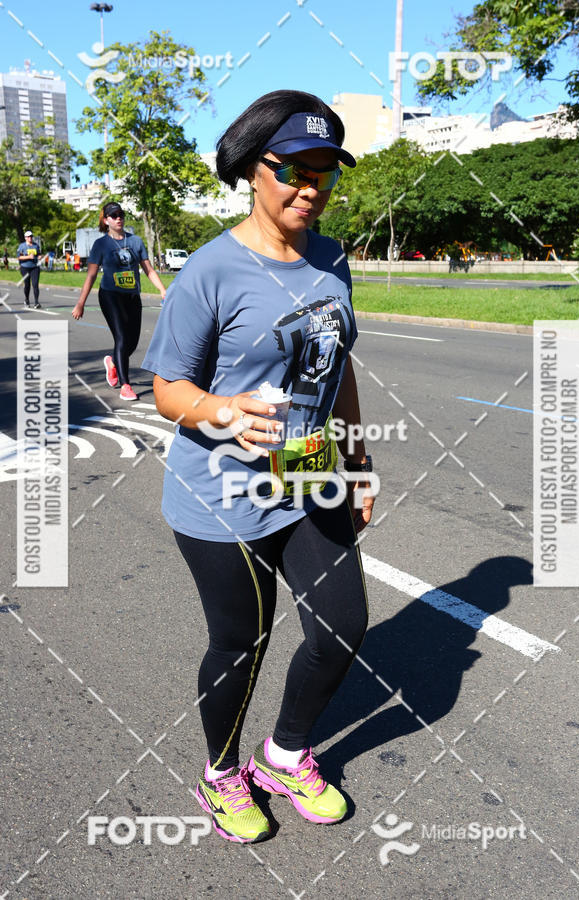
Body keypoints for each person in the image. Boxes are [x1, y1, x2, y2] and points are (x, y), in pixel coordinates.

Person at [142, 90, 376, 844]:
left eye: (324, 174)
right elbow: (166, 388)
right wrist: (219, 411)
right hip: (222, 492)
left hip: (310, 467)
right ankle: (221, 772)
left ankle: (285, 753)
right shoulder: (210, 270)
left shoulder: (333, 258)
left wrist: (359, 456)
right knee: (242, 642)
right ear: (251, 169)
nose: (311, 188)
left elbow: (335, 362)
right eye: (293, 172)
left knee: (341, 626)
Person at [71, 202, 166, 401]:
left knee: (133, 342)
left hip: (132, 296)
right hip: (110, 296)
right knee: (121, 338)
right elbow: (91, 276)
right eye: (113, 215)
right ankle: (126, 385)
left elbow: (148, 269)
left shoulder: (135, 242)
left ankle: (113, 362)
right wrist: (80, 303)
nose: (118, 218)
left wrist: (162, 290)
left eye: (121, 214)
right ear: (106, 220)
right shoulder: (101, 244)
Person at [17, 231, 42, 308]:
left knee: (35, 285)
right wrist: (28, 257)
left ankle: (36, 302)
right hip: (25, 268)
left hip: (35, 267)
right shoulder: (22, 246)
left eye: (31, 236)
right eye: (28, 237)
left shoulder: (36, 245)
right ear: (25, 238)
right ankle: (27, 300)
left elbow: (39, 254)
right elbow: (19, 257)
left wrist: (39, 257)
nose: (30, 238)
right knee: (27, 285)